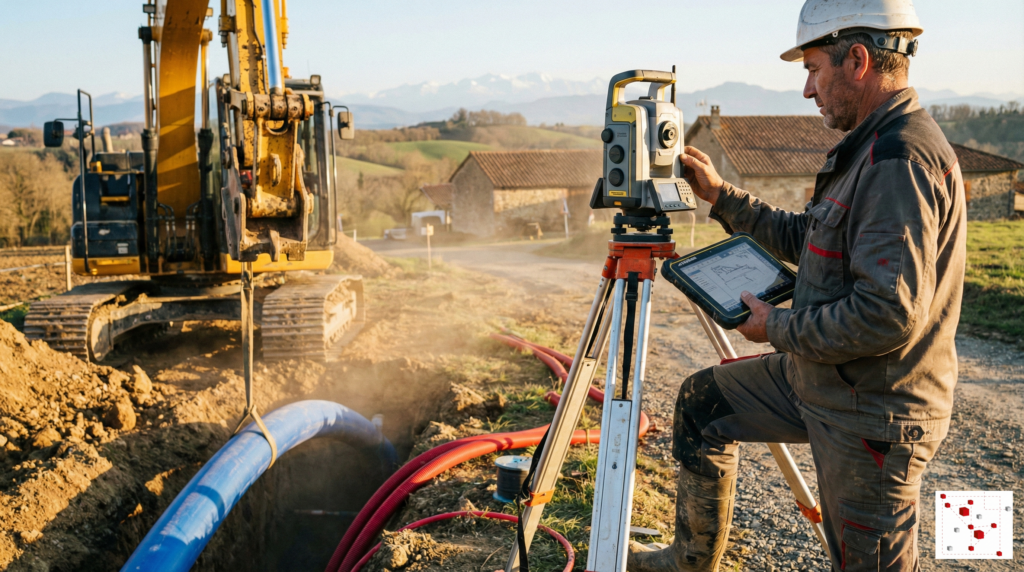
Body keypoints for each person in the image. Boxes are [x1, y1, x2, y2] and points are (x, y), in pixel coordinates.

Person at [628, 1, 966, 570]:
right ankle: (687, 561)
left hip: (871, 408)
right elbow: (810, 236)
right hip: (820, 375)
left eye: (813, 70)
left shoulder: (898, 160)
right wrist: (721, 196)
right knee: (703, 404)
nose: (808, 90)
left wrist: (776, 326)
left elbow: (887, 313)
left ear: (857, 60)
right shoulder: (868, 148)